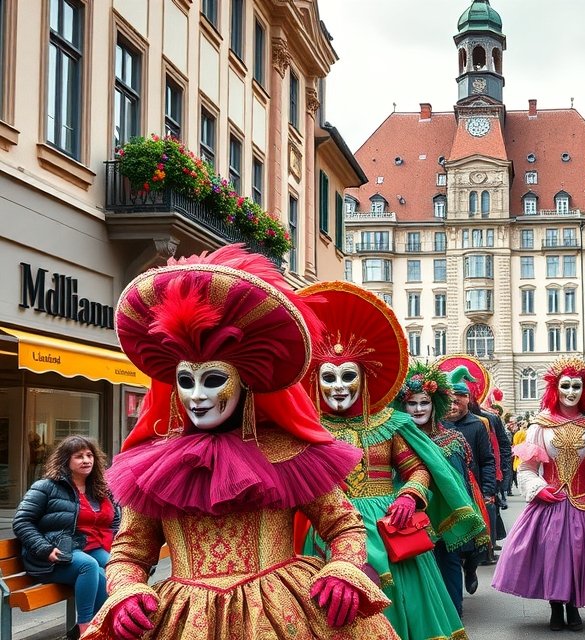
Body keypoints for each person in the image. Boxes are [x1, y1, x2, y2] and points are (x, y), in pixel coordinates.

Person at [83, 245, 396, 640]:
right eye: (186, 381)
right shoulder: (154, 468)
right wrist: (127, 591)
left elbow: (344, 525)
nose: (196, 395)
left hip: (285, 613)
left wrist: (345, 570)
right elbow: (130, 550)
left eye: (212, 379)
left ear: (244, 381)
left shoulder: (288, 453)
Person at [298, 281, 484, 640]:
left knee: (400, 607)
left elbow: (417, 468)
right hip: (328, 528)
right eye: (329, 377)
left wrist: (408, 496)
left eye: (348, 376)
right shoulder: (309, 429)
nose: (338, 386)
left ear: (363, 378)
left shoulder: (390, 424)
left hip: (387, 527)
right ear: (316, 381)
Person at [492, 357, 585, 632]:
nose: (571, 392)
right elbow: (526, 468)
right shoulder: (540, 424)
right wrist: (538, 488)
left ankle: (573, 607)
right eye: (565, 386)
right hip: (549, 503)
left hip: (584, 503)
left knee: (578, 556)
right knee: (550, 556)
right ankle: (555, 607)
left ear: (584, 389)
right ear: (555, 388)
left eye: (577, 386)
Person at [394, 360, 490, 618]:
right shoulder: (394, 439)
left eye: (424, 402)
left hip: (446, 522)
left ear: (434, 404)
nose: (417, 409)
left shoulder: (453, 439)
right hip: (409, 521)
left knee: (448, 571)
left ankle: (452, 621)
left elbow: (461, 481)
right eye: (411, 403)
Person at [13, 436, 119, 639]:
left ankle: (102, 625)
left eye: (89, 455)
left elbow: (114, 520)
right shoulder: (46, 486)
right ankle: (85, 627)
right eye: (79, 456)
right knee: (89, 566)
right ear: (66, 460)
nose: (86, 460)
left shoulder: (98, 488)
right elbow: (21, 522)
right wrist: (45, 549)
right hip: (50, 555)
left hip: (87, 547)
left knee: (114, 567)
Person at [439, 366, 497, 596]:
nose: (453, 406)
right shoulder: (438, 425)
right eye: (449, 401)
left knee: (475, 542)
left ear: (467, 400)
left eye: (458, 400)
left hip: (472, 489)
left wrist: (489, 490)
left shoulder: (478, 424)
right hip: (447, 490)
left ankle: (471, 568)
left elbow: (488, 460)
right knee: (451, 541)